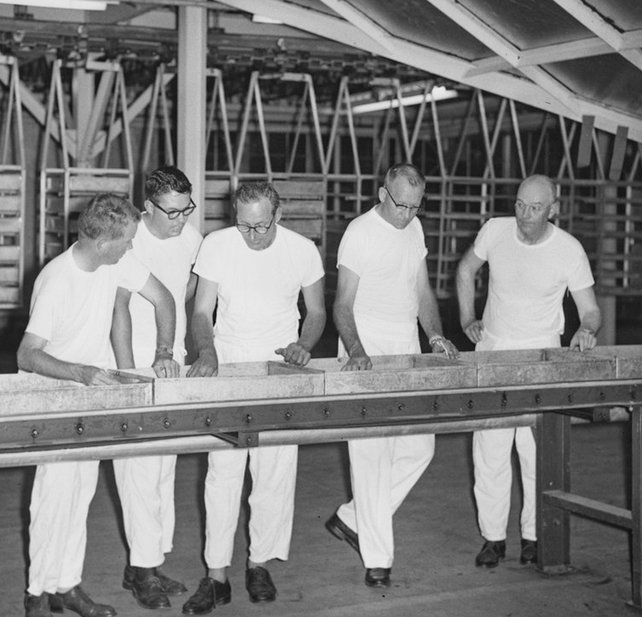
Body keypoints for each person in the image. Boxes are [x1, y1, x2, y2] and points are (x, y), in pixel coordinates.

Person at [17, 193, 178, 617]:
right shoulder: (57, 279)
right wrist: (82, 372)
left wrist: (164, 350)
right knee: (53, 498)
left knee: (80, 495)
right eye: (127, 241)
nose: (131, 247)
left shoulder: (116, 261)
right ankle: (37, 594)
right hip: (52, 396)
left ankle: (65, 586)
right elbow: (27, 354)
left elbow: (164, 297)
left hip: (89, 397)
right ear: (105, 243)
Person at [181, 181, 326, 615]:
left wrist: (305, 345)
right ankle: (216, 575)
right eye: (244, 226)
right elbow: (202, 311)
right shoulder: (218, 245)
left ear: (278, 216)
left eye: (261, 226)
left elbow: (316, 312)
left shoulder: (302, 250)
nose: (253, 235)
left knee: (275, 472)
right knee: (223, 471)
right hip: (229, 360)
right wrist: (207, 351)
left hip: (281, 364)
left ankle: (258, 563)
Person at [456, 174, 601, 568]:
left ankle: (534, 537)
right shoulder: (495, 231)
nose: (524, 214)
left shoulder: (569, 250)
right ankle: (493, 538)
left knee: (537, 453)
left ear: (553, 208)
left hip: (542, 358)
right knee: (489, 453)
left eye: (535, 207)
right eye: (519, 204)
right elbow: (466, 269)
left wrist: (586, 330)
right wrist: (468, 317)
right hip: (494, 353)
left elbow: (590, 310)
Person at [325, 162, 458, 589]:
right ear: (382, 193)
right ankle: (378, 560)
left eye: (415, 207)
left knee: (420, 446)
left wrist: (436, 337)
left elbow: (422, 292)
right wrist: (358, 352)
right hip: (365, 344)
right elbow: (342, 305)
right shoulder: (359, 233)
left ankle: (350, 518)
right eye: (400, 204)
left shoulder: (414, 230)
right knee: (370, 456)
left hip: (405, 345)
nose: (406, 214)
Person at [111, 166, 202, 609]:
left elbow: (184, 290)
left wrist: (176, 344)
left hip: (174, 362)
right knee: (139, 470)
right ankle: (141, 570)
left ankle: (146, 563)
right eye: (172, 212)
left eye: (187, 209)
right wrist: (129, 371)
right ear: (148, 207)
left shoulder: (191, 238)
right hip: (138, 362)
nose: (181, 219)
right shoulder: (130, 240)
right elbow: (120, 308)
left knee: (163, 469)